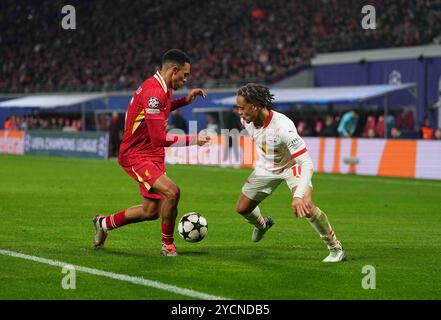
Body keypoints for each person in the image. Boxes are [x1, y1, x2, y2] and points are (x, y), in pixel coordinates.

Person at [92, 49, 210, 256]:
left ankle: (103, 223)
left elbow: (161, 110)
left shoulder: (164, 88)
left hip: (152, 154)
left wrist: (185, 101)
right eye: (185, 75)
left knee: (150, 212)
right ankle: (168, 245)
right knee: (172, 192)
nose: (185, 80)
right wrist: (194, 139)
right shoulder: (154, 92)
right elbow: (158, 138)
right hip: (136, 155)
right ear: (174, 70)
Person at [234, 83, 345, 262]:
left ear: (254, 106)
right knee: (242, 208)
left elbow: (307, 164)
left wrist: (299, 196)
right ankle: (262, 225)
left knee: (307, 206)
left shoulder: (283, 128)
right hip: (267, 167)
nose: (239, 112)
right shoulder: (247, 120)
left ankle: (335, 249)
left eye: (241, 108)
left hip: (292, 167)